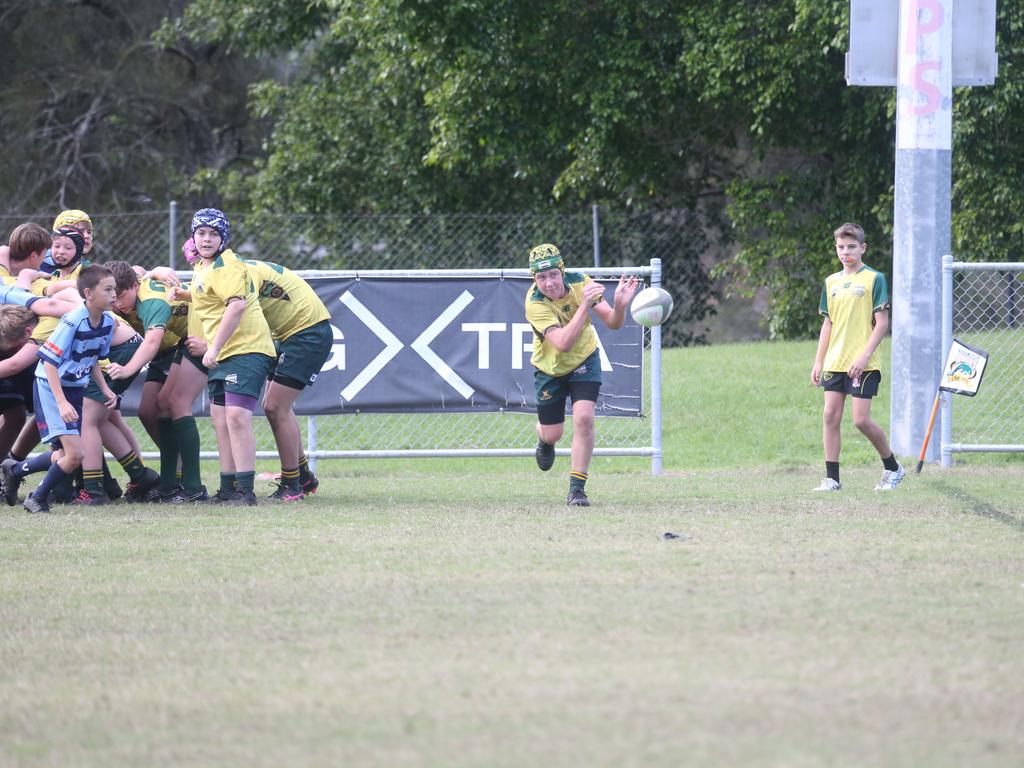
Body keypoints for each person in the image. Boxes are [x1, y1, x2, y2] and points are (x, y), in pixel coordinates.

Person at [525, 243, 639, 506]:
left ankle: (577, 489)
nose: (549, 282)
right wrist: (584, 305)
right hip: (549, 370)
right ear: (534, 279)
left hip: (585, 359)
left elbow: (613, 322)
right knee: (553, 434)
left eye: (553, 274)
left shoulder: (580, 283)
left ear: (562, 271)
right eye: (541, 277)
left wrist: (620, 305)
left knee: (584, 419)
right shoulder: (534, 304)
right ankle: (544, 440)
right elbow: (562, 343)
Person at [1, 265, 118, 513]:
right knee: (76, 454)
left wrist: (105, 389)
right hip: (50, 387)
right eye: (107, 289)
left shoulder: (108, 322)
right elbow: (50, 363)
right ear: (88, 293)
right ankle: (37, 498)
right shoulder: (73, 321)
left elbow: (93, 357)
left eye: (114, 289)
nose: (113, 294)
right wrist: (61, 402)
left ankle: (15, 469)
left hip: (75, 388)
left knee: (66, 454)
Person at [189, 208, 276, 506]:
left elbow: (236, 306)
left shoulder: (227, 264)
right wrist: (183, 296)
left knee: (237, 418)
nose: (206, 239)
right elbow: (210, 295)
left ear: (223, 238)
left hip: (246, 349)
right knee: (220, 420)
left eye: (213, 234)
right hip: (225, 352)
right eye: (201, 233)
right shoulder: (204, 265)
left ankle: (245, 491)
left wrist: (212, 349)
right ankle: (228, 488)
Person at [811, 222, 905, 492]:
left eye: (851, 246)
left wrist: (864, 357)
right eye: (841, 247)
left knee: (860, 420)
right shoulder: (831, 282)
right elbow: (828, 324)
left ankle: (893, 468)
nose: (846, 251)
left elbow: (882, 324)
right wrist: (819, 361)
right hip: (835, 361)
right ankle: (832, 479)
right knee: (830, 415)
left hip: (864, 363)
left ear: (862, 248)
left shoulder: (874, 279)